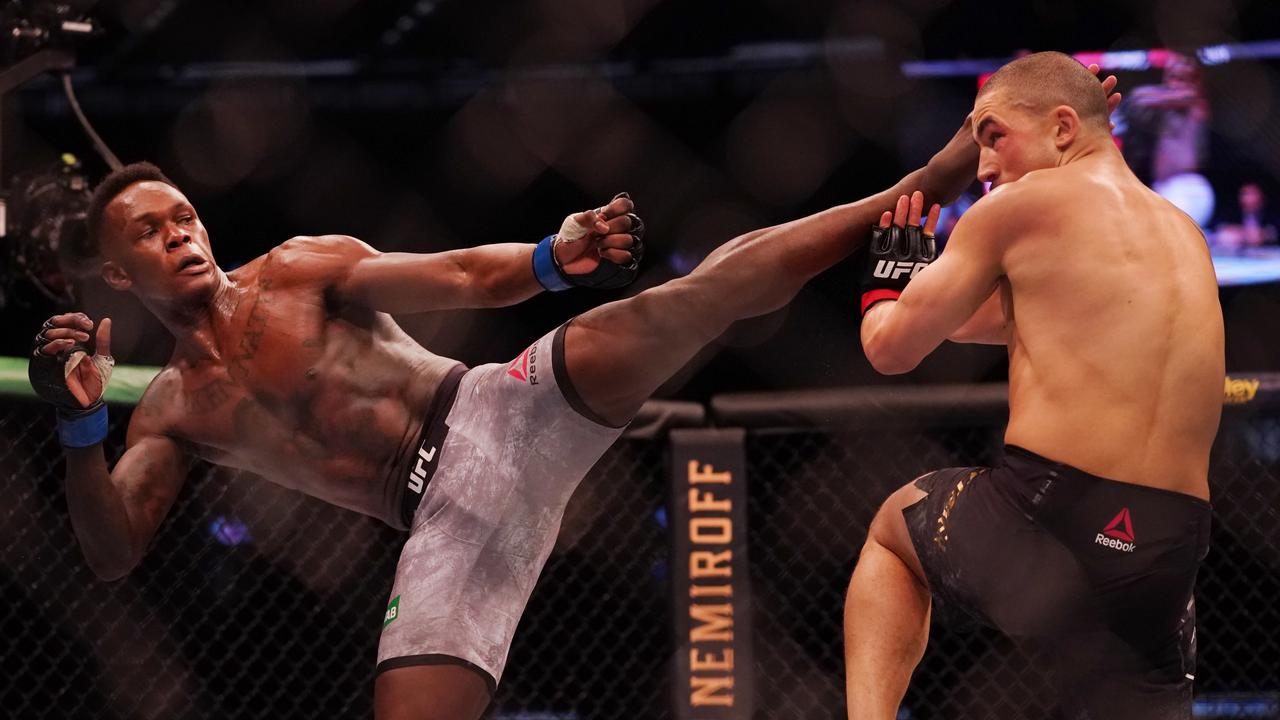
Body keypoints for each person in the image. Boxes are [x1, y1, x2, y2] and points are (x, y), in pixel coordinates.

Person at [29, 112, 980, 719]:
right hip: (442, 526)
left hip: (500, 411)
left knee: (702, 294)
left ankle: (920, 185)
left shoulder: (295, 270)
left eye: (185, 216)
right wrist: (77, 434)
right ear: (118, 274)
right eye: (153, 234)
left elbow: (455, 275)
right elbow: (112, 553)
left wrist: (553, 258)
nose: (182, 236)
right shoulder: (167, 411)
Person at [843, 51, 1220, 720]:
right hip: (1170, 546)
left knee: (891, 531)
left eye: (994, 136)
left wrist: (885, 285)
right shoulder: (1182, 231)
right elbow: (995, 323)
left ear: (1063, 128)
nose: (984, 166)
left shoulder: (1019, 204)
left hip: (1055, 511)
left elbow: (891, 349)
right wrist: (929, 291)